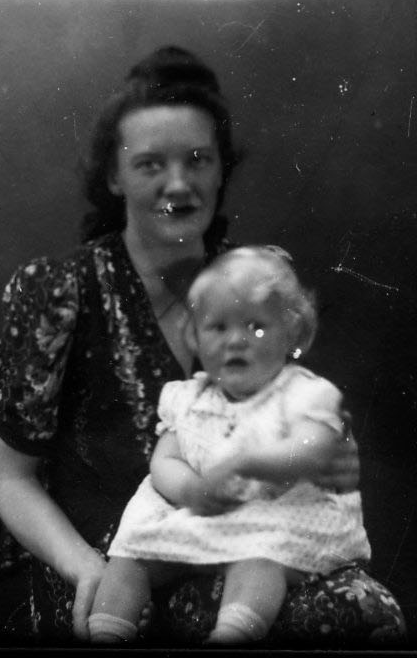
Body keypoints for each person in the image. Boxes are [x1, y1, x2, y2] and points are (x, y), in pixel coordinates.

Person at [0, 46, 404, 645]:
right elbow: (12, 479)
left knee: (361, 610)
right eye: (150, 164)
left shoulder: (253, 286)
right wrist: (83, 566)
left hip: (248, 543)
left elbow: (290, 414)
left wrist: (324, 452)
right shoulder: (59, 291)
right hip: (115, 559)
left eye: (198, 160)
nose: (179, 184)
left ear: (220, 171)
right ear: (114, 177)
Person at [88, 246, 370, 645]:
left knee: (260, 560)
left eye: (256, 327)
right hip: (204, 515)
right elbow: (164, 460)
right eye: (218, 328)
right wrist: (190, 488)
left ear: (290, 334)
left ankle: (231, 635)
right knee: (129, 556)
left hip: (276, 520)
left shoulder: (302, 394)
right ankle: (105, 633)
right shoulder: (190, 398)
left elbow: (312, 449)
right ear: (196, 338)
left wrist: (248, 460)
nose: (236, 341)